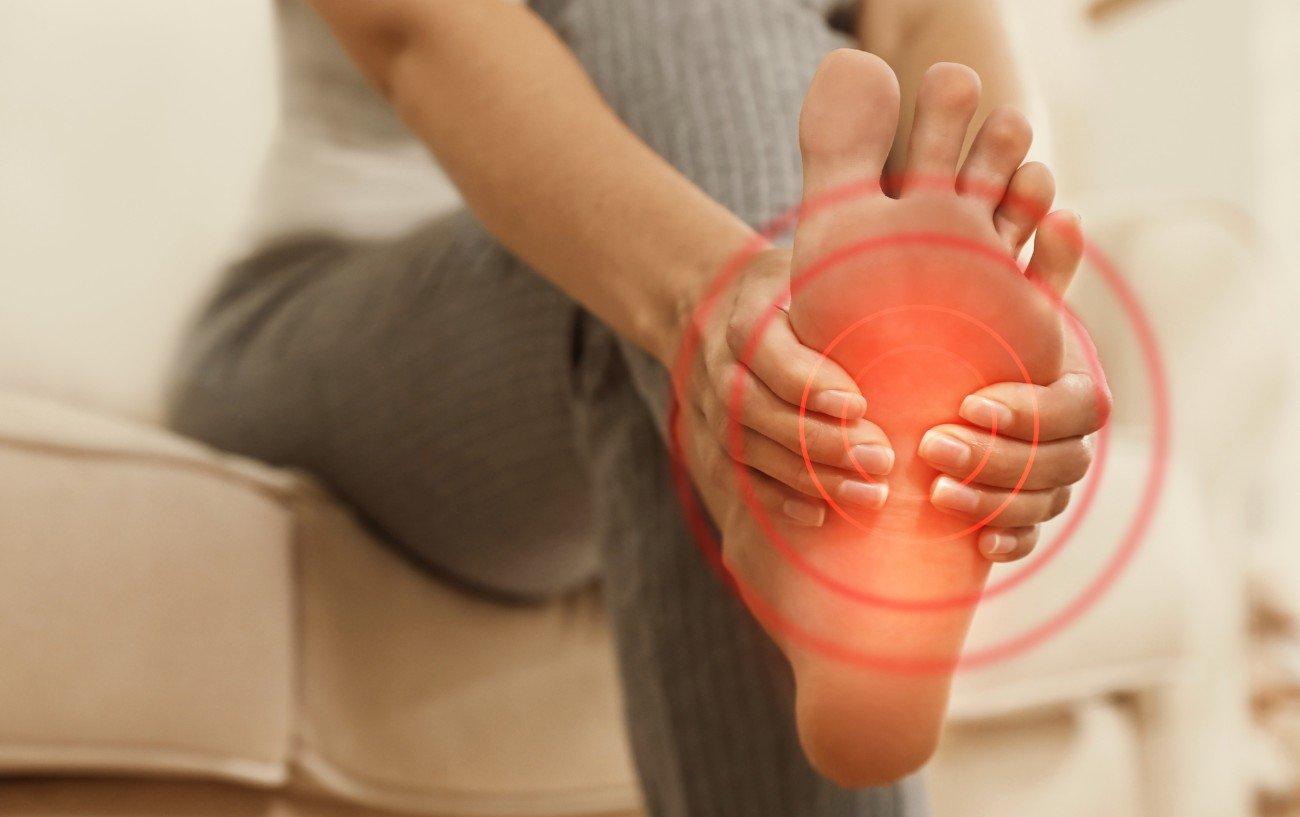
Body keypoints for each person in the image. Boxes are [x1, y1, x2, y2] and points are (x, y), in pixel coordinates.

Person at [166, 1, 1109, 814]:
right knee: (691, 322)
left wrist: (988, 316)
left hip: (670, 278)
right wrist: (706, 302)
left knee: (753, 340)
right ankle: (795, 456)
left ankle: (819, 434)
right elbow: (414, 29)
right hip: (326, 333)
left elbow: (929, 21)